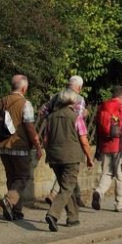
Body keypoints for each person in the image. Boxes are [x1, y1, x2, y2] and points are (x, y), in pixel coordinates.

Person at [0, 74, 42, 222]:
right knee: (22, 178)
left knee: (12, 179)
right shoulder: (25, 104)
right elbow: (30, 128)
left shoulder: (0, 102)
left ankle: (15, 211)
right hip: (20, 147)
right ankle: (9, 200)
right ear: (24, 88)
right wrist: (38, 146)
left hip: (3, 147)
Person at [44, 88, 95, 231]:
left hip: (54, 156)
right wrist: (89, 157)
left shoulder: (51, 118)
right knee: (67, 187)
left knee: (66, 186)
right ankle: (53, 214)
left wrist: (49, 153)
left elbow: (46, 140)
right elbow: (84, 140)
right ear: (73, 101)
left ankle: (73, 217)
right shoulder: (75, 117)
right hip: (71, 156)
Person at [40, 75, 88, 208]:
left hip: (54, 137)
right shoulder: (79, 99)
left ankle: (76, 199)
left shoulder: (55, 96)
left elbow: (42, 112)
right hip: (71, 139)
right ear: (79, 87)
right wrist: (84, 114)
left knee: (67, 174)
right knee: (69, 171)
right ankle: (55, 197)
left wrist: (53, 118)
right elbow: (76, 119)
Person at [92, 85, 122, 212]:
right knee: (120, 175)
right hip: (120, 147)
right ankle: (120, 204)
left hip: (105, 146)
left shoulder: (102, 107)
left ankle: (99, 192)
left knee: (107, 173)